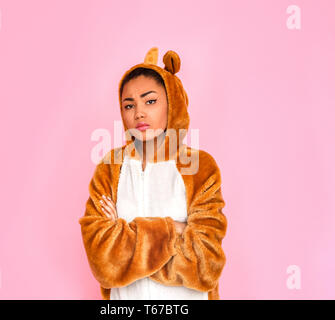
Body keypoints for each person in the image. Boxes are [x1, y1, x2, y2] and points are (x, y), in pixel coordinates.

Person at [79, 47, 228, 300]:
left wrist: (125, 241)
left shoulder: (198, 166)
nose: (138, 113)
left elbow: (205, 264)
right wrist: (175, 230)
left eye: (150, 101)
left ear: (172, 102)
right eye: (129, 105)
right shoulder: (110, 167)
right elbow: (103, 263)